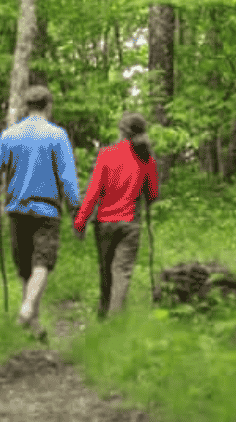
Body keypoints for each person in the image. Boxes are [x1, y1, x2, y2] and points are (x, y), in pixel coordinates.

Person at [0, 85, 81, 337]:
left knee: (26, 266)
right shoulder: (57, 136)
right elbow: (67, 179)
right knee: (42, 262)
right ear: (49, 106)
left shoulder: (9, 135)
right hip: (47, 209)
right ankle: (28, 310)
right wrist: (75, 210)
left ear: (26, 107)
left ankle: (33, 325)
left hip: (17, 209)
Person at [73, 111, 160, 320]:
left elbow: (93, 191)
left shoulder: (106, 154)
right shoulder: (146, 158)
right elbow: (153, 194)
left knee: (106, 272)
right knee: (121, 272)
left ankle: (104, 316)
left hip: (104, 224)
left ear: (122, 132)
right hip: (130, 224)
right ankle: (112, 319)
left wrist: (80, 222)